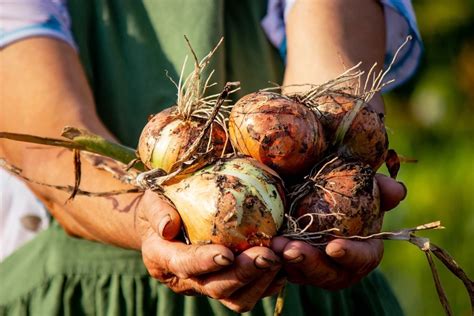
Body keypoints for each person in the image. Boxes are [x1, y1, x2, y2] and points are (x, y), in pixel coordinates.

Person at [0, 0, 421, 314]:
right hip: (85, 294)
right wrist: (153, 219)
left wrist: (322, 149)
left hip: (304, 278)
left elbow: (332, 73)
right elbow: (48, 146)